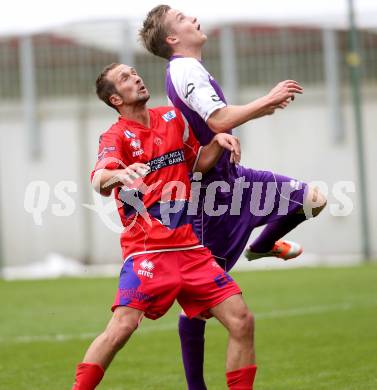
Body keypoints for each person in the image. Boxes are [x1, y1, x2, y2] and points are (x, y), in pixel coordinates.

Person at [140, 5, 327, 390]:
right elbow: (219, 119)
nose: (192, 18)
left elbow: (216, 124)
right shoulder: (184, 69)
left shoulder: (191, 68)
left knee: (313, 197)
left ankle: (263, 246)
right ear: (173, 38)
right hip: (211, 201)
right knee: (200, 305)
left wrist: (250, 116)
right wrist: (267, 100)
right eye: (182, 19)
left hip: (233, 180)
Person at [71, 63, 257, 389]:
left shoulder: (171, 119)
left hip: (190, 250)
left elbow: (195, 163)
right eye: (125, 78)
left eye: (134, 72)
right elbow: (99, 179)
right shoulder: (115, 136)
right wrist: (118, 174)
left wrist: (219, 141)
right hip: (148, 253)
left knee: (242, 321)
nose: (137, 78)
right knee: (122, 328)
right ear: (116, 99)